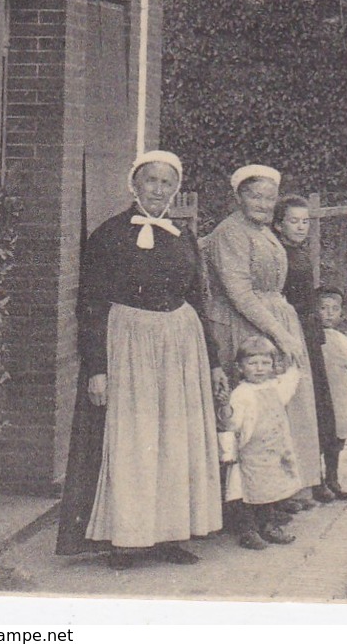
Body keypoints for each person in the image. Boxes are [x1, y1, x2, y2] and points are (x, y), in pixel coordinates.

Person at [56, 150, 222, 569]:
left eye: (168, 183)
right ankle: (125, 539)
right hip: (129, 344)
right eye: (151, 181)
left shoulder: (183, 236)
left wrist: (214, 360)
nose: (159, 190)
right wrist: (96, 367)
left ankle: (169, 535)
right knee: (133, 440)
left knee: (173, 439)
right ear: (135, 184)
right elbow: (90, 303)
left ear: (176, 189)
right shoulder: (109, 235)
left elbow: (200, 300)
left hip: (180, 346)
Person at [201, 165, 323, 505]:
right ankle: (244, 499)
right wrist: (279, 333)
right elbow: (239, 292)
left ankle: (283, 488)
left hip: (272, 316)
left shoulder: (264, 230)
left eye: (270, 198)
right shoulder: (231, 233)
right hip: (245, 324)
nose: (263, 204)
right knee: (249, 409)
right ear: (239, 196)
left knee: (280, 404)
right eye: (255, 196)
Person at [273, 196, 339, 504]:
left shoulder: (300, 253)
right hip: (293, 329)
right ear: (279, 224)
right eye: (293, 221)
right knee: (301, 405)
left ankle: (323, 477)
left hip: (309, 331)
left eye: (305, 222)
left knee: (321, 404)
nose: (301, 227)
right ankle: (301, 484)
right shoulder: (279, 255)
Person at [223, 336, 302, 550]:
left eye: (265, 363)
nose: (259, 369)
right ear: (240, 367)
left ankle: (268, 525)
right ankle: (248, 530)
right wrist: (226, 412)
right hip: (251, 452)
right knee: (246, 492)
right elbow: (234, 423)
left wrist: (292, 361)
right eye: (252, 363)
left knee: (270, 489)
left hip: (273, 449)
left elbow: (290, 383)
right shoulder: (241, 393)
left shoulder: (274, 387)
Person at [317, 289, 347, 500]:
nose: (329, 314)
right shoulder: (315, 339)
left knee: (337, 438)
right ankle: (318, 483)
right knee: (321, 438)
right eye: (323, 309)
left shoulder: (342, 339)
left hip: (340, 395)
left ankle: (333, 479)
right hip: (323, 396)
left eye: (334, 309)